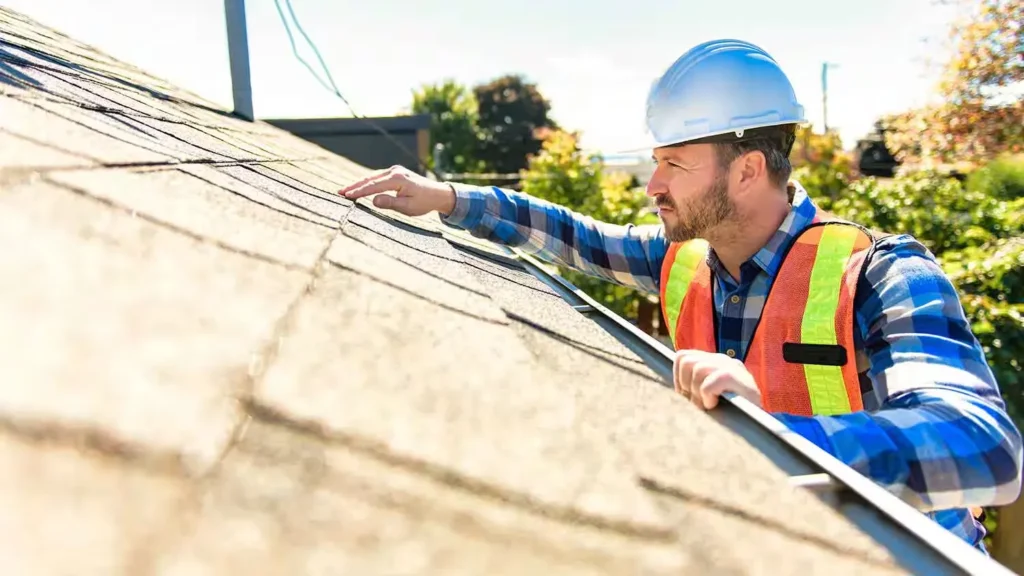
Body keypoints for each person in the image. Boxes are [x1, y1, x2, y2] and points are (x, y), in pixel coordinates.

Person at [339, 39, 1022, 552]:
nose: (652, 185)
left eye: (673, 164)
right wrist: (449, 198)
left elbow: (987, 446)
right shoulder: (687, 259)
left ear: (748, 170)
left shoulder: (882, 275)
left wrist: (780, 441)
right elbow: (577, 235)